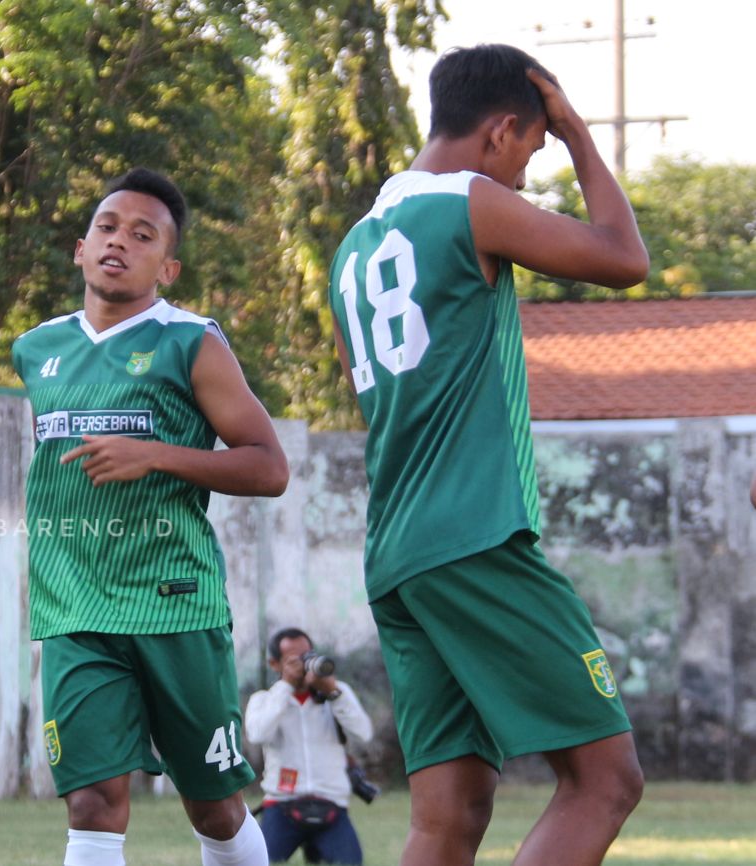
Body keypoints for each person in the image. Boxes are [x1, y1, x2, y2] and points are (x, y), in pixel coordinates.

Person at [326, 45, 647, 866]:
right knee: (606, 780)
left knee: (449, 814)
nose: (526, 177)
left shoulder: (354, 250)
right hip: (474, 536)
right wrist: (578, 133)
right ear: (501, 130)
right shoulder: (468, 201)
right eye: (532, 152)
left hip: (397, 553)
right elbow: (623, 258)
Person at [12, 168, 289, 866]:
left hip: (175, 606)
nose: (118, 242)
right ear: (80, 249)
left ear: (167, 267)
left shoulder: (191, 342)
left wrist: (156, 455)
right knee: (92, 803)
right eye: (107, 228)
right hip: (74, 609)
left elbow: (268, 466)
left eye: (142, 235)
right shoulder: (37, 350)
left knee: (216, 807)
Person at [245, 628, 373, 865]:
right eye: (294, 659)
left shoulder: (337, 693)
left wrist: (332, 692)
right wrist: (286, 686)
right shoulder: (264, 699)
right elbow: (257, 734)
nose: (304, 664)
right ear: (274, 664)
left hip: (331, 803)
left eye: (308, 655)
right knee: (260, 861)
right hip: (282, 804)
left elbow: (363, 733)